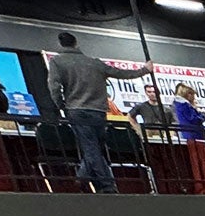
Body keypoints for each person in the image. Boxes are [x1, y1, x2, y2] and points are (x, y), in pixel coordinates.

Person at [46, 31, 150, 194]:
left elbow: (54, 86)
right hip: (99, 110)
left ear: (60, 44)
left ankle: (104, 185)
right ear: (76, 43)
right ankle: (85, 178)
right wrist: (144, 70)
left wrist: (61, 105)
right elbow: (121, 73)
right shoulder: (95, 63)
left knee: (90, 148)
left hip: (76, 109)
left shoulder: (57, 62)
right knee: (96, 147)